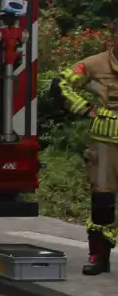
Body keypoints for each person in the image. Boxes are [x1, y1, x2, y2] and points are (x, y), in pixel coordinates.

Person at [53, 29, 118, 275]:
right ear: (114, 37)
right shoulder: (94, 64)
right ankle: (99, 257)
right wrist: (83, 108)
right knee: (103, 203)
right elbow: (61, 84)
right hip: (104, 147)